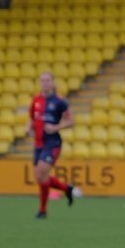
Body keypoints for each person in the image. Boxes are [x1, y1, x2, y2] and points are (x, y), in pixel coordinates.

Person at [26, 71, 79, 219]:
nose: (45, 83)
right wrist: (28, 127)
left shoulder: (59, 101)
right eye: (42, 80)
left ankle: (42, 210)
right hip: (38, 143)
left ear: (53, 82)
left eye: (47, 80)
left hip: (52, 143)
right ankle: (66, 188)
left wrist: (55, 128)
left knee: (42, 173)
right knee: (40, 178)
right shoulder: (36, 100)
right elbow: (31, 118)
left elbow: (71, 121)